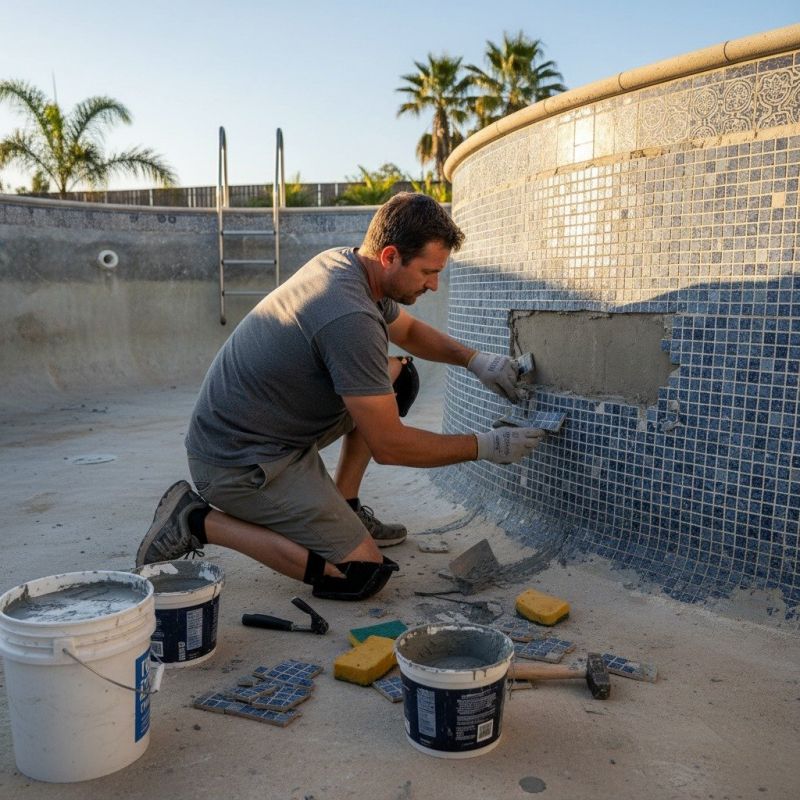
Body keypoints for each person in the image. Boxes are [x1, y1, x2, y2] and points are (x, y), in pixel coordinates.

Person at [136, 193, 544, 600]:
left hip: (268, 428)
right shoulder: (349, 316)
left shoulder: (349, 265)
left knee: (399, 376)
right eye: (428, 272)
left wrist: (476, 361)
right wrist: (487, 446)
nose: (434, 285)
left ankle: (345, 504)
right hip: (239, 464)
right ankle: (195, 520)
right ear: (389, 256)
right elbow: (390, 445)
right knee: (359, 575)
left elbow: (410, 332)